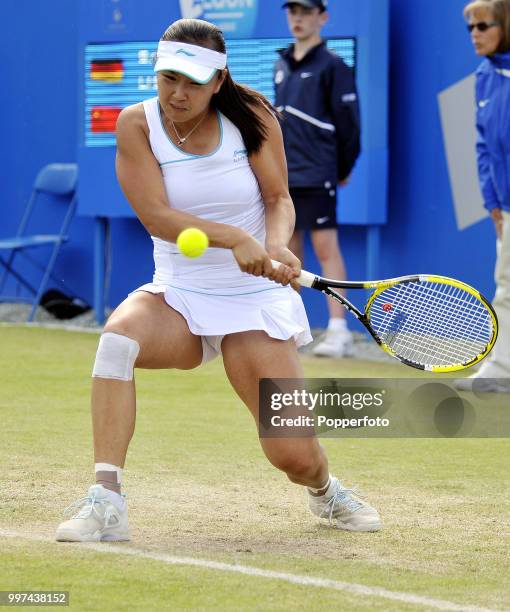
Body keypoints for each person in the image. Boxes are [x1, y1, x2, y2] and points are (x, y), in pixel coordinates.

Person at [55, 18, 381, 541]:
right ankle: (106, 501)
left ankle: (325, 490)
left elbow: (278, 199)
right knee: (116, 341)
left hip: (253, 298)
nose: (178, 94)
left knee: (293, 455)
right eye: (168, 79)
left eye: (193, 82)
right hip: (179, 296)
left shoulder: (252, 115)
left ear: (219, 80)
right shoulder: (135, 125)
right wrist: (235, 238)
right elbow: (158, 218)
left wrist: (275, 246)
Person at [274, 0, 361, 358]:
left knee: (326, 249)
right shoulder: (280, 64)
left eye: (306, 12)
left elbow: (351, 126)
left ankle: (339, 331)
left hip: (319, 172)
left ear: (322, 18)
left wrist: (341, 169)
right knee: (289, 251)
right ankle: (293, 329)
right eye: (293, 11)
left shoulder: (334, 65)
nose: (298, 18)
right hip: (284, 175)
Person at [456, 0, 510, 393]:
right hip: (506, 203)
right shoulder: (484, 76)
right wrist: (491, 200)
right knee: (506, 284)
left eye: (483, 25)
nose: (475, 33)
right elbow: (483, 145)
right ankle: (502, 369)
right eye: (470, 27)